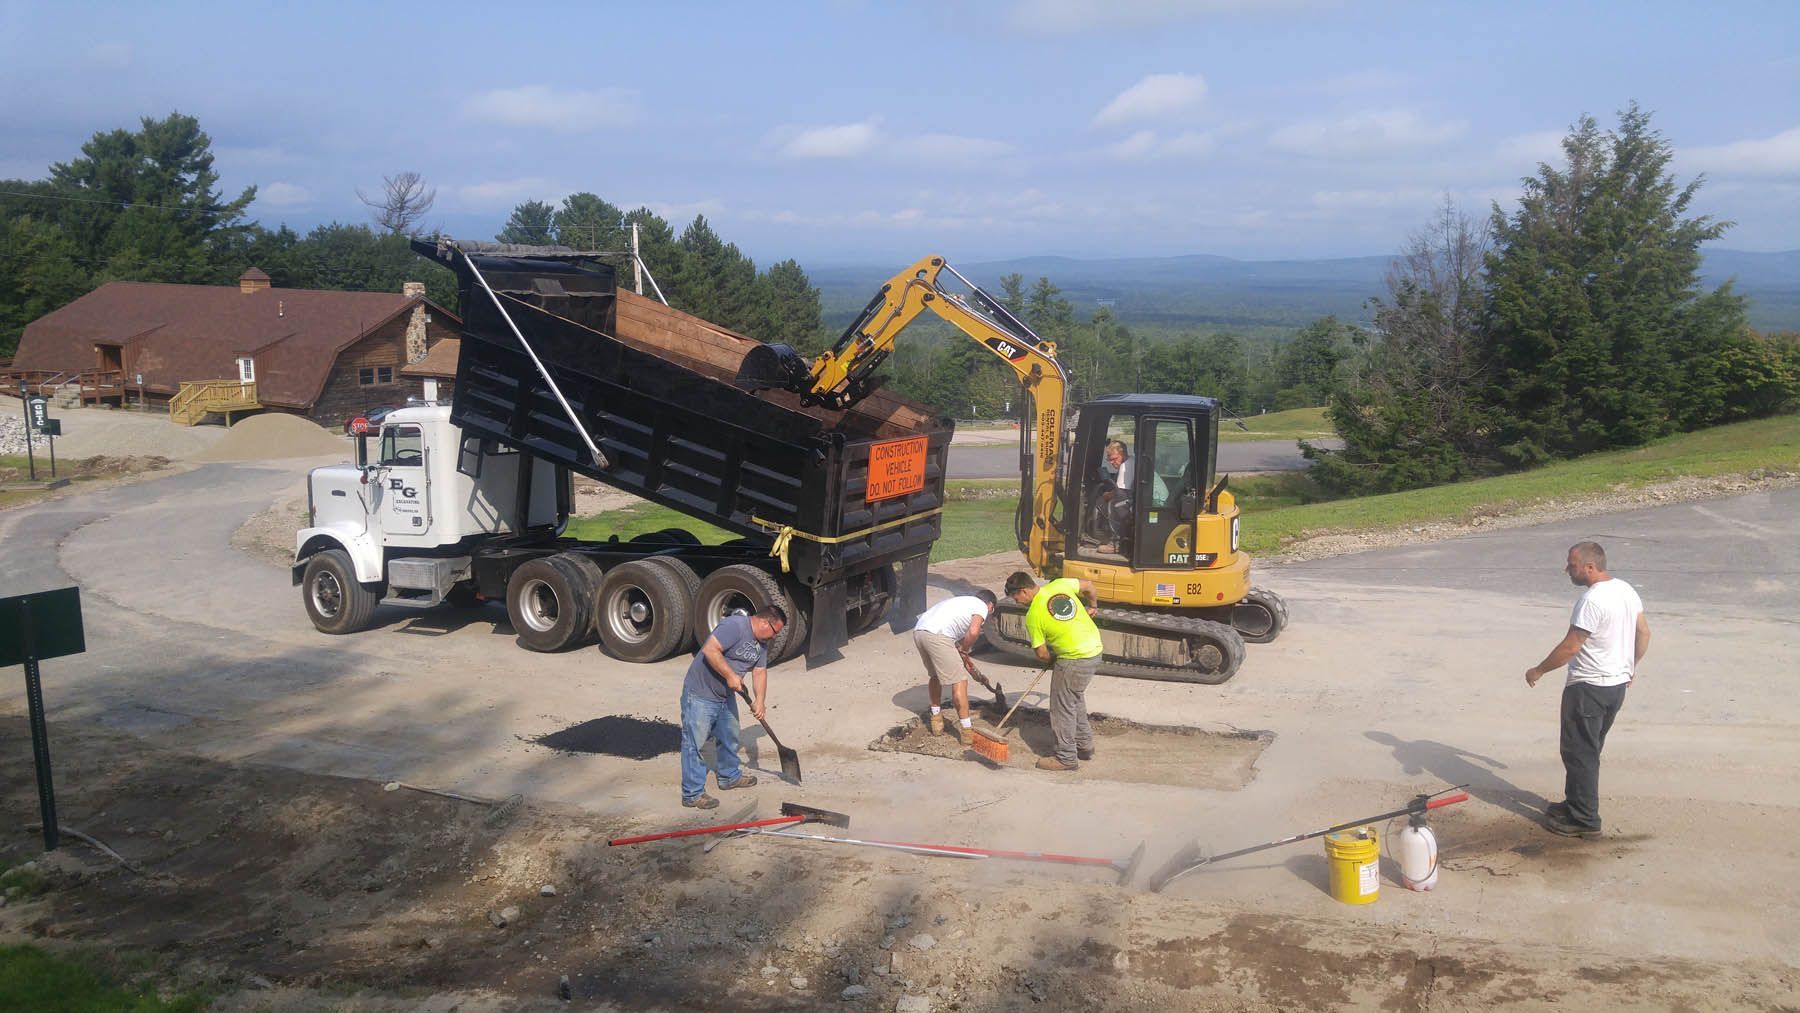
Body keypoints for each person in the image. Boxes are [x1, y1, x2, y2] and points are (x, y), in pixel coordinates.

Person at [1524, 541, 1649, 839]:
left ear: (1589, 567)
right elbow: (1644, 631)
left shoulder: (1591, 601)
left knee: (1580, 752)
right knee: (1587, 749)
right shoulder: (1625, 589)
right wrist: (1631, 667)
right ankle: (1574, 803)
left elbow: (1570, 646)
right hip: (1615, 686)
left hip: (1589, 688)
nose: (1567, 569)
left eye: (1572, 564)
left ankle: (1584, 820)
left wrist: (1538, 670)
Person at [678, 605, 786, 810]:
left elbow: (760, 671)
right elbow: (710, 649)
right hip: (701, 692)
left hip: (725, 695)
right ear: (765, 622)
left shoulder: (761, 643)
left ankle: (729, 776)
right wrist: (730, 675)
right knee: (696, 743)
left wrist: (760, 700)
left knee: (730, 736)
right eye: (775, 632)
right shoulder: (734, 626)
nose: (774, 637)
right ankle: (692, 793)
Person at [1004, 570, 1104, 771]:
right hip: (1095, 650)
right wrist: (1092, 606)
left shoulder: (1033, 615)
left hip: (1074, 659)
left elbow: (1041, 653)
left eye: (1015, 597)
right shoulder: (1059, 585)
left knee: (1061, 708)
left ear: (1023, 591)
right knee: (1074, 699)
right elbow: (1089, 586)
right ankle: (1084, 746)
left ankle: (1066, 758)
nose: (1016, 601)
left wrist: (1054, 658)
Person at [912, 589, 998, 745]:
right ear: (990, 605)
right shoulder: (981, 606)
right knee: (959, 681)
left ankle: (936, 719)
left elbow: (955, 649)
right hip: (938, 635)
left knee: (935, 676)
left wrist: (965, 656)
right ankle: (966, 731)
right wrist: (964, 649)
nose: (989, 614)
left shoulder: (962, 602)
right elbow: (973, 632)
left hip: (920, 631)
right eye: (991, 611)